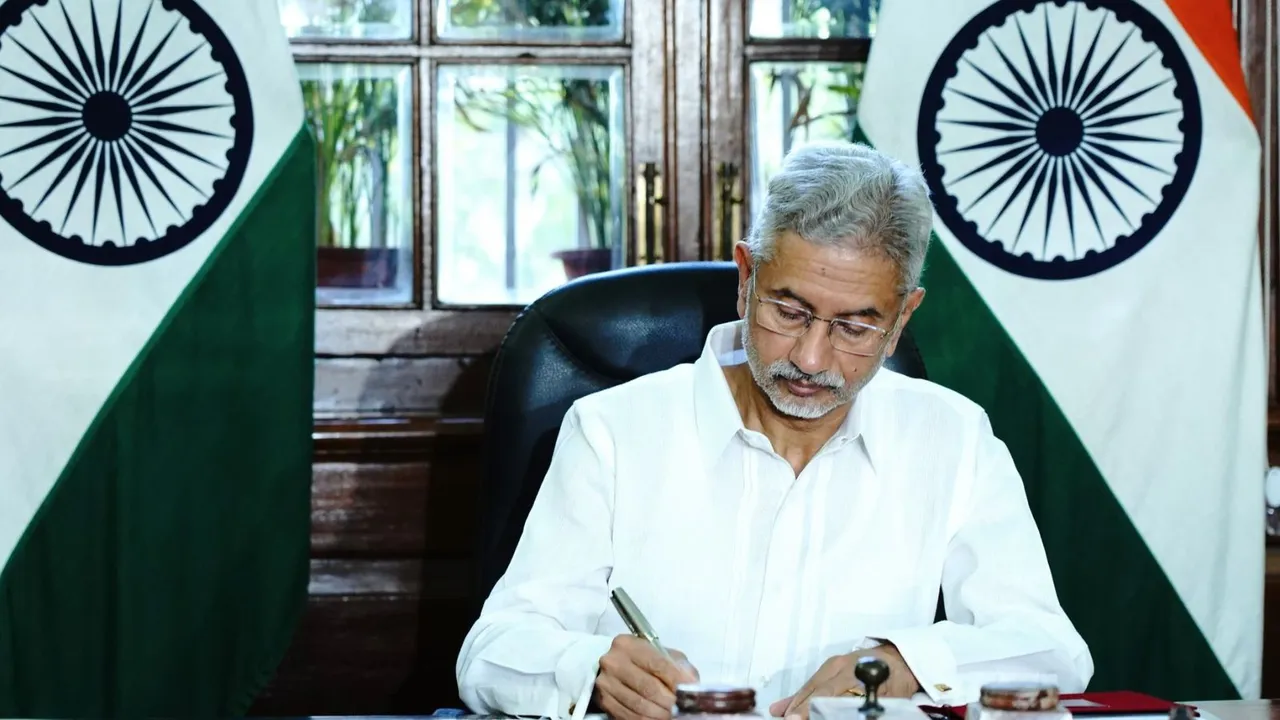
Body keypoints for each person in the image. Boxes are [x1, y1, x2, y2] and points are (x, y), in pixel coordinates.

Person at [455, 141, 1093, 720]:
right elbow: (491, 654)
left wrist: (903, 667)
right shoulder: (614, 431)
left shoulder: (952, 439)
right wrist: (593, 668)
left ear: (902, 318)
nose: (811, 359)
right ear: (746, 278)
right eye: (788, 311)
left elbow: (1052, 651)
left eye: (855, 327)